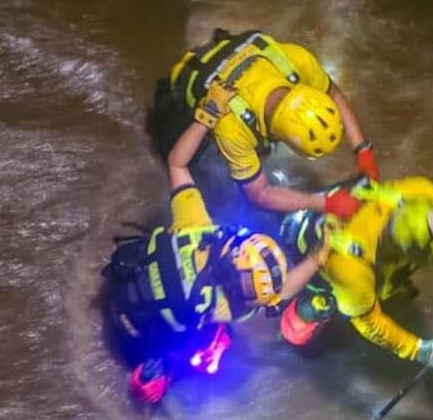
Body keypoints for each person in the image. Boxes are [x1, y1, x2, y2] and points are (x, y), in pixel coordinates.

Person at [102, 159, 328, 404]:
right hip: (139, 335)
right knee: (213, 343)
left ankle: (148, 376)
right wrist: (317, 258)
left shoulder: (194, 229)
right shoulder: (225, 307)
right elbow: (281, 293)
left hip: (120, 285)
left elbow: (177, 164)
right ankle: (154, 378)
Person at [154, 29, 380, 222]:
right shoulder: (231, 125)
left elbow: (334, 95)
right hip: (183, 98)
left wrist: (363, 151)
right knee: (212, 187)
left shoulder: (297, 60)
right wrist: (323, 203)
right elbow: (259, 195)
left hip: (227, 52)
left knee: (253, 156)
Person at [278, 175, 433, 366]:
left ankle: (385, 283)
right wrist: (417, 351)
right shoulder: (351, 269)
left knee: (379, 283)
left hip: (338, 209)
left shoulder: (425, 195)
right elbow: (369, 322)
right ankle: (295, 322)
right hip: (312, 255)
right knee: (304, 321)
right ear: (404, 250)